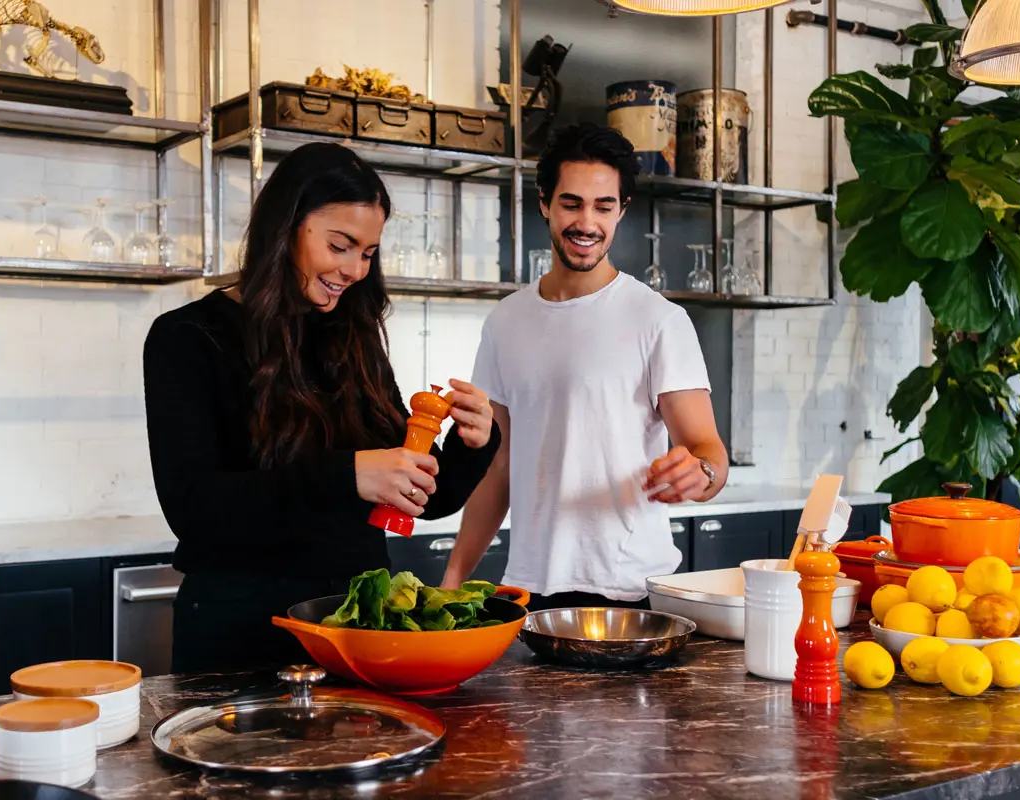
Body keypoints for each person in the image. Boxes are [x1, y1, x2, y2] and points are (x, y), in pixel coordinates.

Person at [143, 142, 501, 674]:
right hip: (240, 638)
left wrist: (471, 443)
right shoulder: (187, 337)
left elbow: (419, 501)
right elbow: (193, 510)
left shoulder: (353, 337)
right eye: (341, 245)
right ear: (285, 226)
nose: (355, 269)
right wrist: (348, 475)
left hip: (357, 630)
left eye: (368, 252)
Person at [441, 122, 728, 611]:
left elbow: (709, 453)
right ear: (544, 204)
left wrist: (699, 474)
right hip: (529, 590)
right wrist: (451, 581)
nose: (587, 223)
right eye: (571, 203)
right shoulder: (506, 321)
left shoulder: (659, 320)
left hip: (631, 591)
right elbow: (498, 467)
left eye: (603, 206)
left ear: (622, 211)